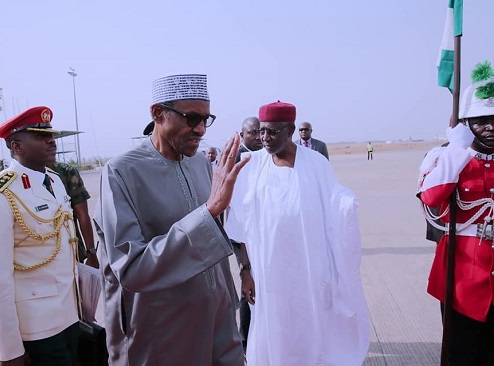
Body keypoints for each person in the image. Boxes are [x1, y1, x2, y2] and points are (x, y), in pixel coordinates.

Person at [94, 73, 248, 365]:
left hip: (217, 324)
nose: (201, 129)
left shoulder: (201, 163)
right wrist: (208, 212)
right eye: (191, 118)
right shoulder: (121, 172)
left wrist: (228, 299)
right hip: (160, 333)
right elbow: (131, 268)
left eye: (206, 119)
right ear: (157, 113)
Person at [227, 101, 370, 365]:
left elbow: (334, 203)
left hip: (311, 269)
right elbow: (242, 223)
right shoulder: (253, 167)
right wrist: (245, 270)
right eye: (262, 132)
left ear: (290, 129)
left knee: (313, 326)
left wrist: (347, 205)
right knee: (274, 329)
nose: (265, 139)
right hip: (268, 271)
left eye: (272, 132)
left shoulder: (315, 163)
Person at [0, 106, 80, 365]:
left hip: (69, 314)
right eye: (40, 136)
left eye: (50, 135)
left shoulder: (54, 180)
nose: (51, 140)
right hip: (35, 326)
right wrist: (9, 350)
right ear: (17, 146)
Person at [418, 60, 494, 365]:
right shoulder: (450, 159)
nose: (489, 127)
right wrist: (457, 150)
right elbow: (434, 196)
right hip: (462, 273)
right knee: (460, 354)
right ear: (466, 124)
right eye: (480, 120)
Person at [232, 115, 262, 351]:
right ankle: (244, 341)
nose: (259, 136)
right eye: (253, 132)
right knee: (249, 282)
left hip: (259, 229)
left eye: (261, 131)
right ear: (242, 135)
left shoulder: (263, 156)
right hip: (240, 232)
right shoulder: (236, 158)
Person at [48, 161, 98, 268]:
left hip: (71, 252)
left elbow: (82, 215)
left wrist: (91, 252)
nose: (51, 143)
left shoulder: (66, 171)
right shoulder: (14, 181)